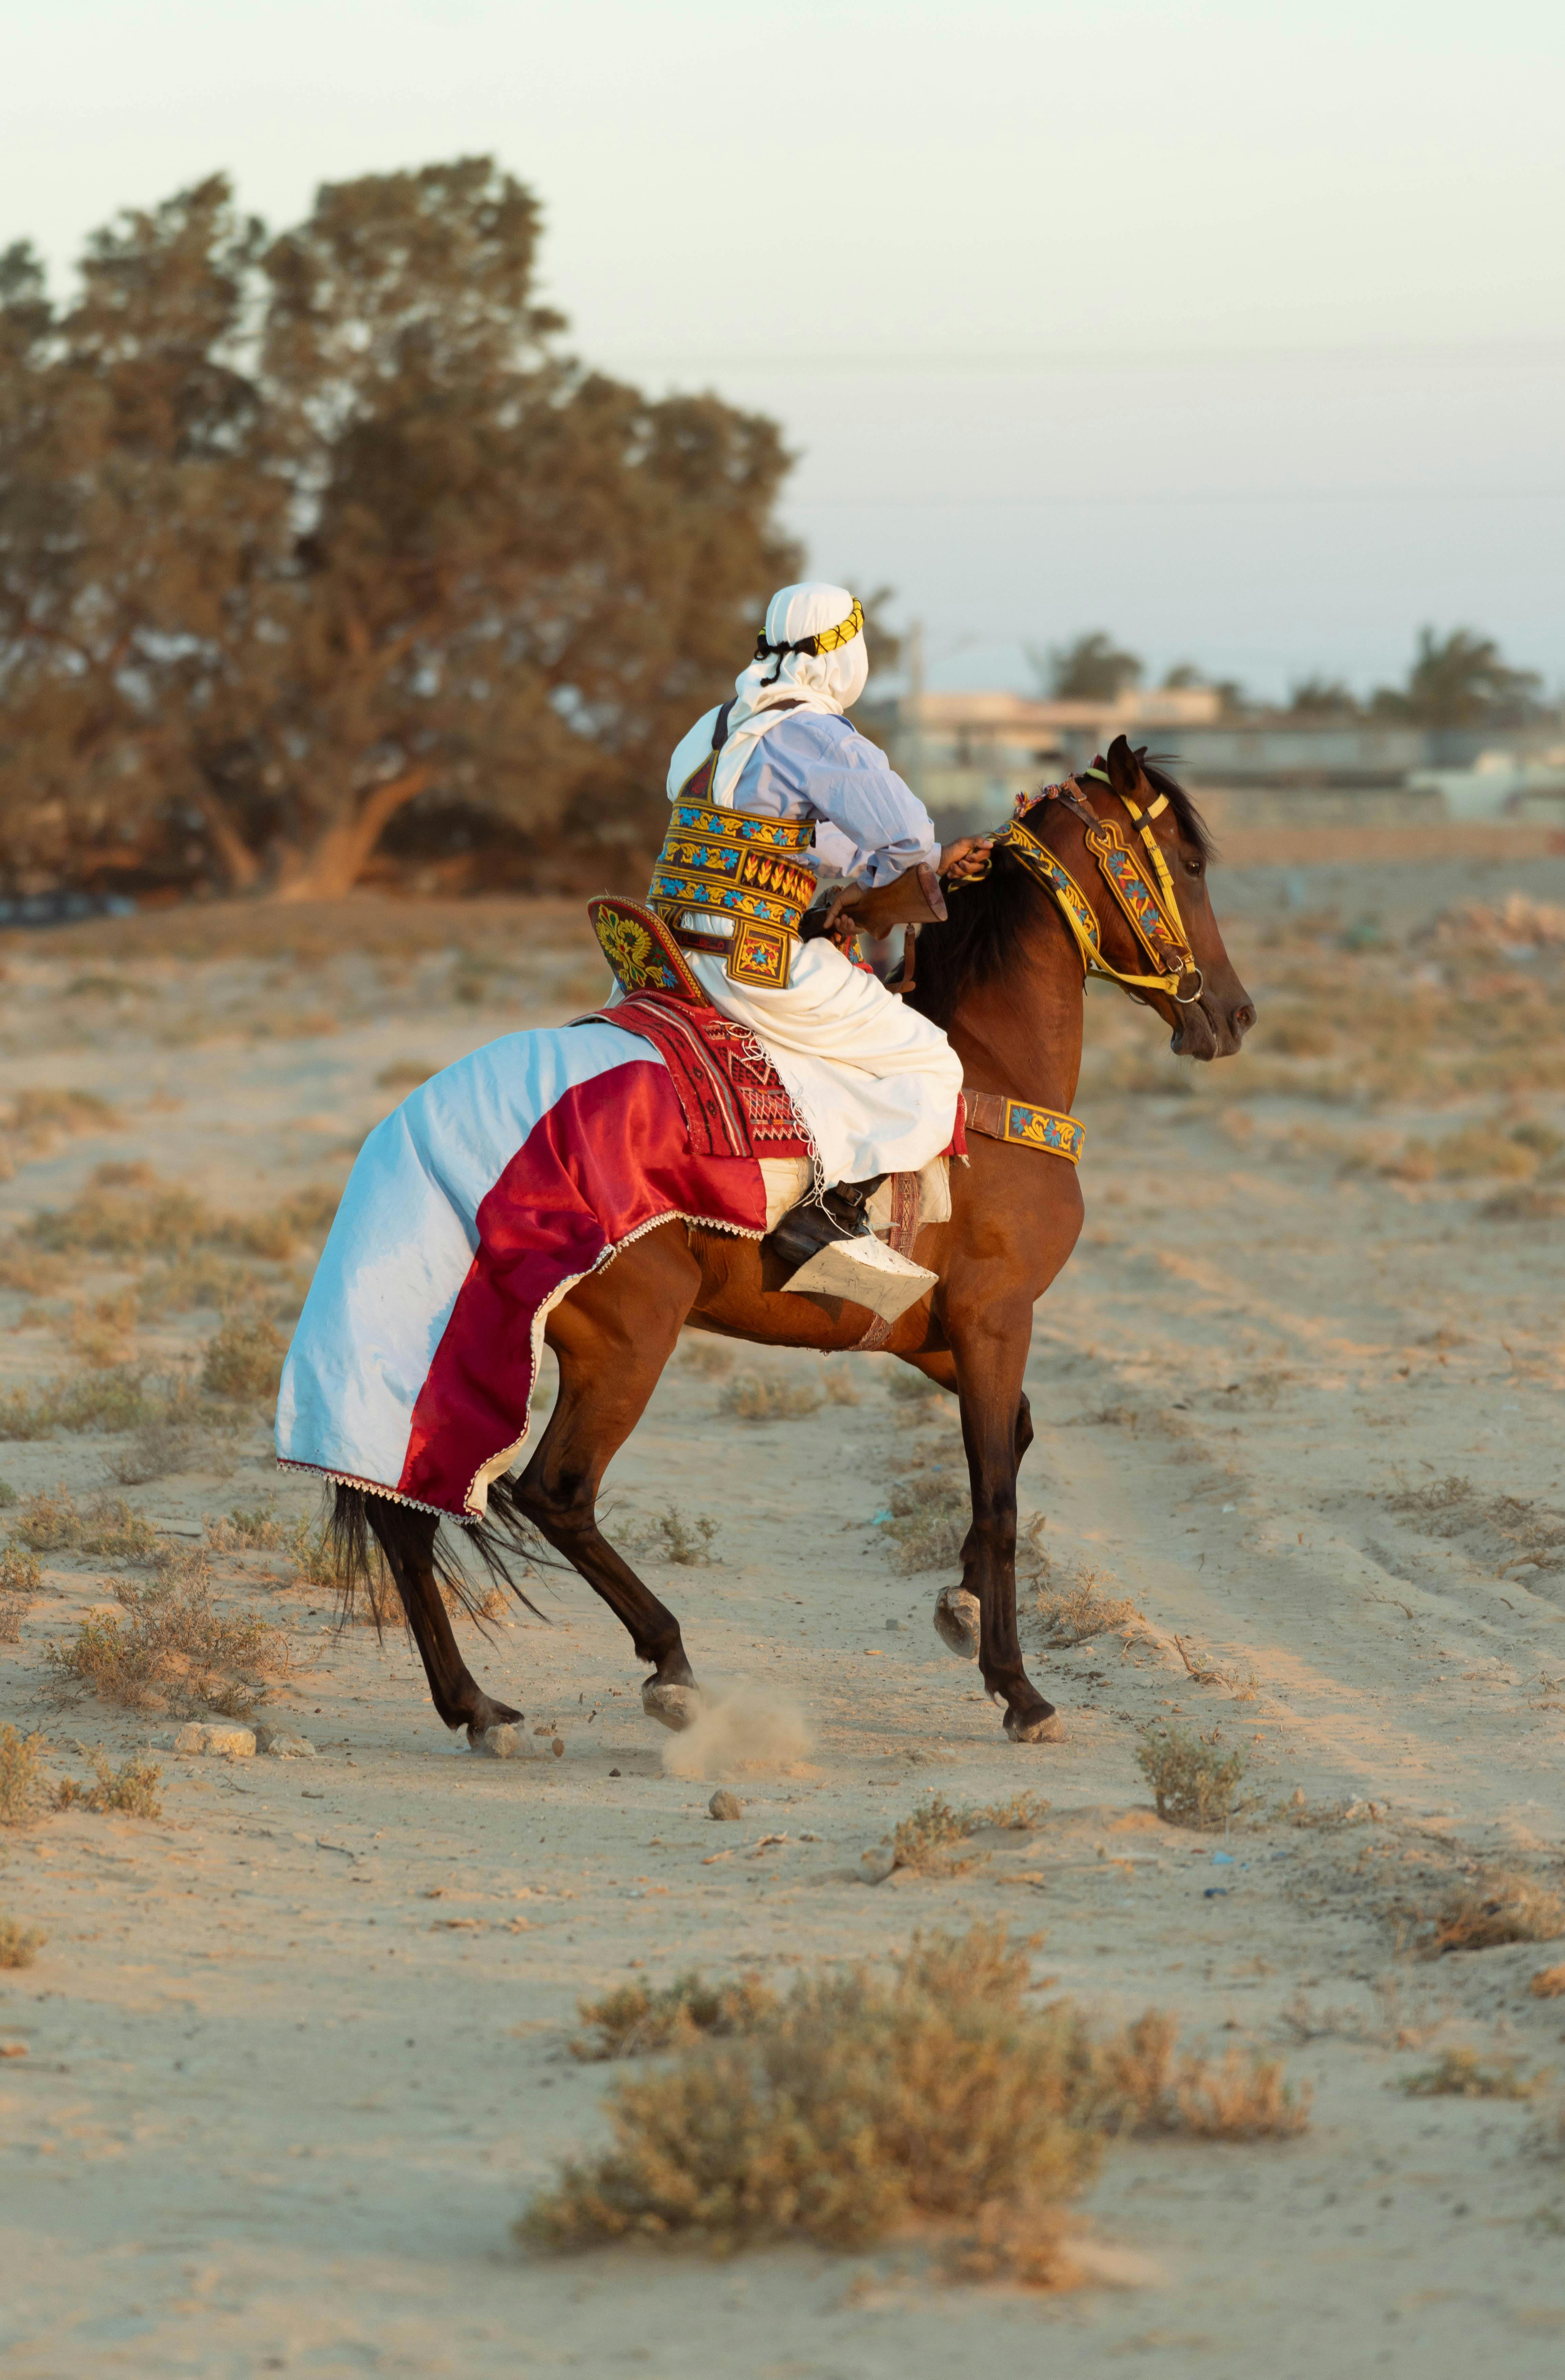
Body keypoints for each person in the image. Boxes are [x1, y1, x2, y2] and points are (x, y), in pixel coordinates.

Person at [650, 581, 972, 1272]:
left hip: (674, 951)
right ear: (843, 652)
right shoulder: (820, 734)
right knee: (931, 1062)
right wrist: (917, 864)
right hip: (754, 962)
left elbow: (763, 833)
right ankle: (829, 1213)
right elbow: (909, 846)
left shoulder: (713, 727)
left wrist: (876, 864)